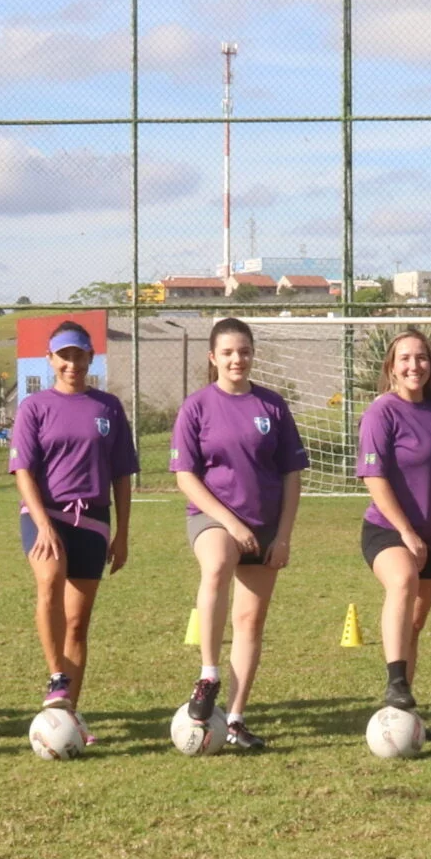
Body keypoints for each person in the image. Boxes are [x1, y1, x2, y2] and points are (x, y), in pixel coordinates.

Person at [170, 317, 308, 751]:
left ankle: (234, 718)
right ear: (213, 358)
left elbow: (291, 474)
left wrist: (282, 535)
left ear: (252, 355)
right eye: (228, 352)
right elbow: (185, 476)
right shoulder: (196, 406)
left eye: (244, 351)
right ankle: (208, 674)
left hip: (265, 525)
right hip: (214, 518)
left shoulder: (272, 406)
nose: (237, 359)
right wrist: (230, 522)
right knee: (217, 565)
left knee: (250, 621)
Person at [9, 321, 135, 740]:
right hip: (45, 514)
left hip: (94, 520)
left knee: (78, 623)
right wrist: (42, 523)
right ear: (51, 360)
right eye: (63, 356)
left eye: (79, 355)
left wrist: (122, 533)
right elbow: (22, 470)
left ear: (90, 358)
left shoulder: (109, 407)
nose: (71, 363)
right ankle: (56, 678)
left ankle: (69, 717)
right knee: (49, 583)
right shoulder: (34, 407)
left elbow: (121, 475)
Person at [358, 328, 431, 713]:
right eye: (405, 358)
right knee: (402, 581)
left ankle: (402, 714)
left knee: (413, 627)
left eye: (421, 358)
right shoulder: (381, 411)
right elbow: (374, 478)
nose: (414, 365)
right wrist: (405, 531)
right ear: (392, 367)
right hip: (387, 531)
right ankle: (395, 681)